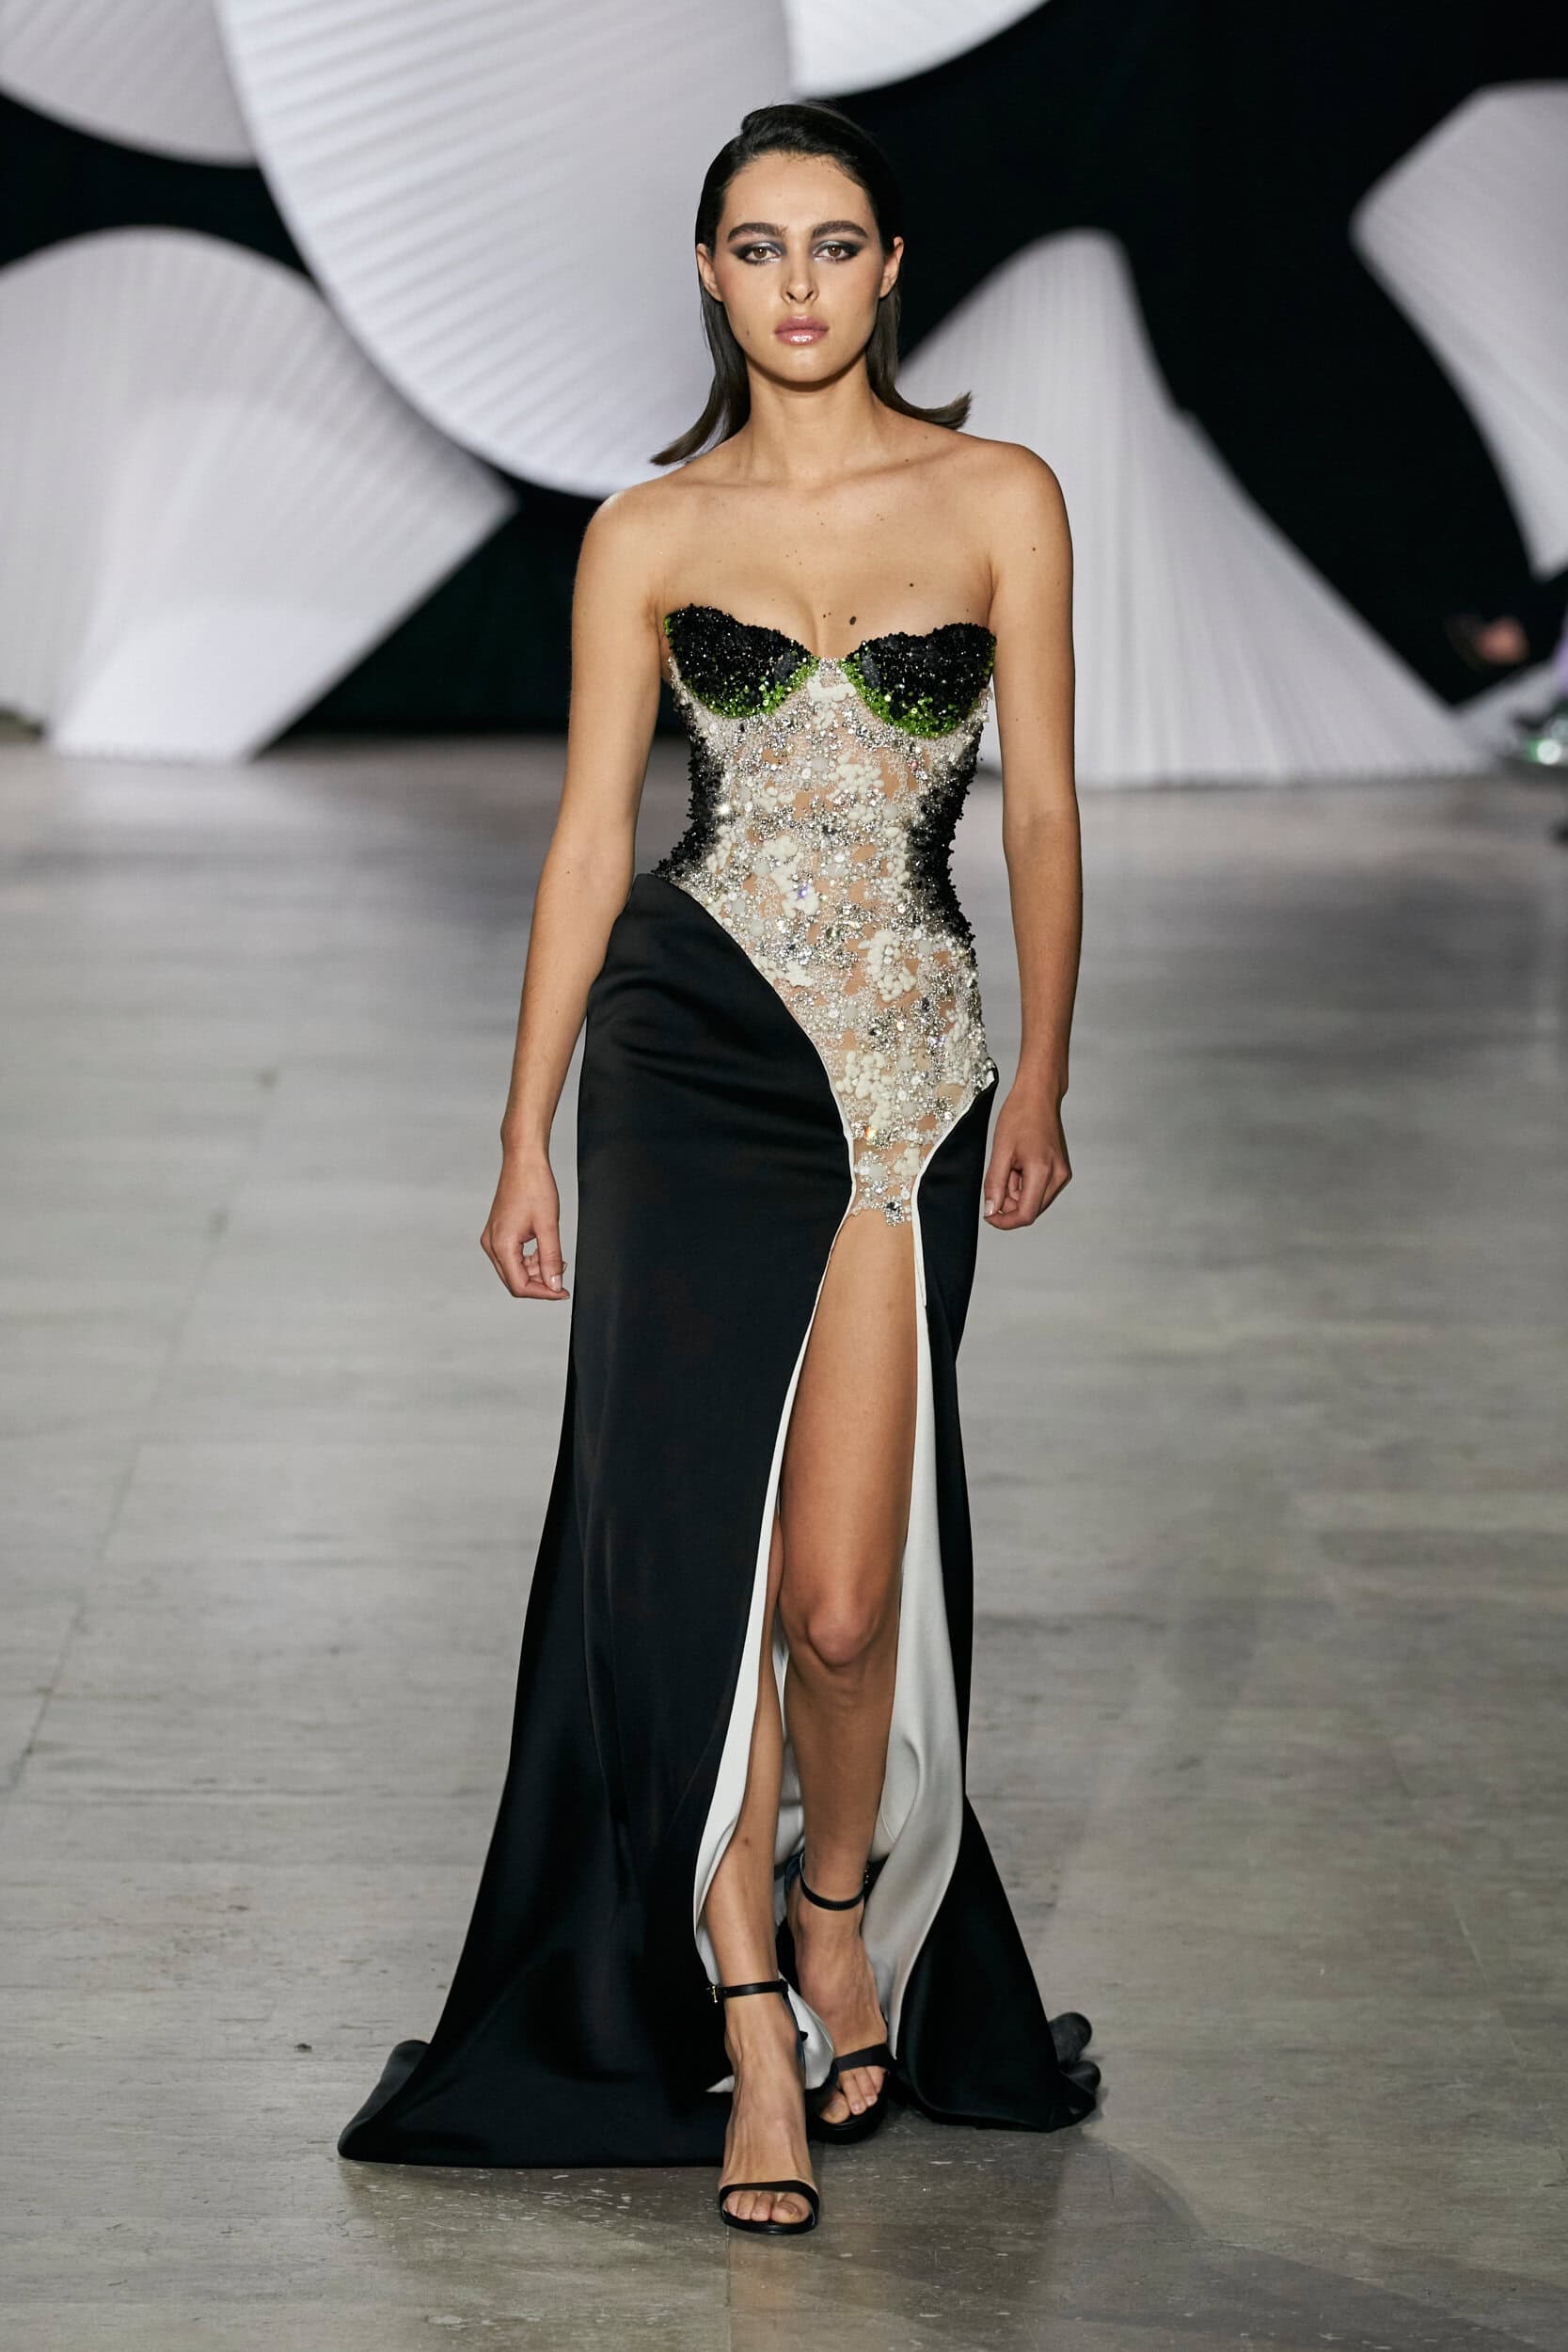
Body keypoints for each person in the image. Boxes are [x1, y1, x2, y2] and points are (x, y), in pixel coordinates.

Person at [337, 100, 1099, 2238]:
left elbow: (1044, 807)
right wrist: (522, 1124)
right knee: (699, 1563)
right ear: (707, 273)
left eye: (833, 245)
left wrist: (1048, 1066)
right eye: (758, 248)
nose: (797, 286)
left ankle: (841, 1910)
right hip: (686, 1057)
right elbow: (593, 833)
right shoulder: (650, 531)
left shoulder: (1002, 497)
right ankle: (750, 2009)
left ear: (889, 266)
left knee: (846, 1601)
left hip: (913, 1076)